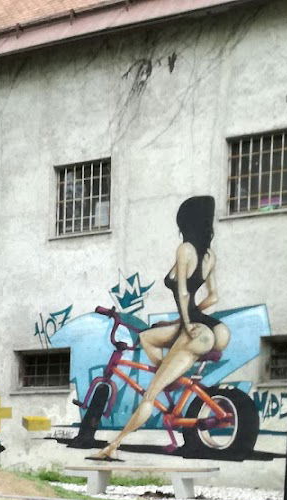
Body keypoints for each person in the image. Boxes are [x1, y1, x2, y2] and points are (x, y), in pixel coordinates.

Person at [92, 195, 230, 460]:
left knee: (148, 396)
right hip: (216, 329)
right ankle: (169, 374)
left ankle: (112, 447)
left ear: (186, 222)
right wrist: (186, 321)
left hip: (195, 331)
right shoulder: (209, 255)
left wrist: (187, 324)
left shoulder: (185, 249)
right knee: (146, 336)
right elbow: (213, 297)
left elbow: (182, 293)